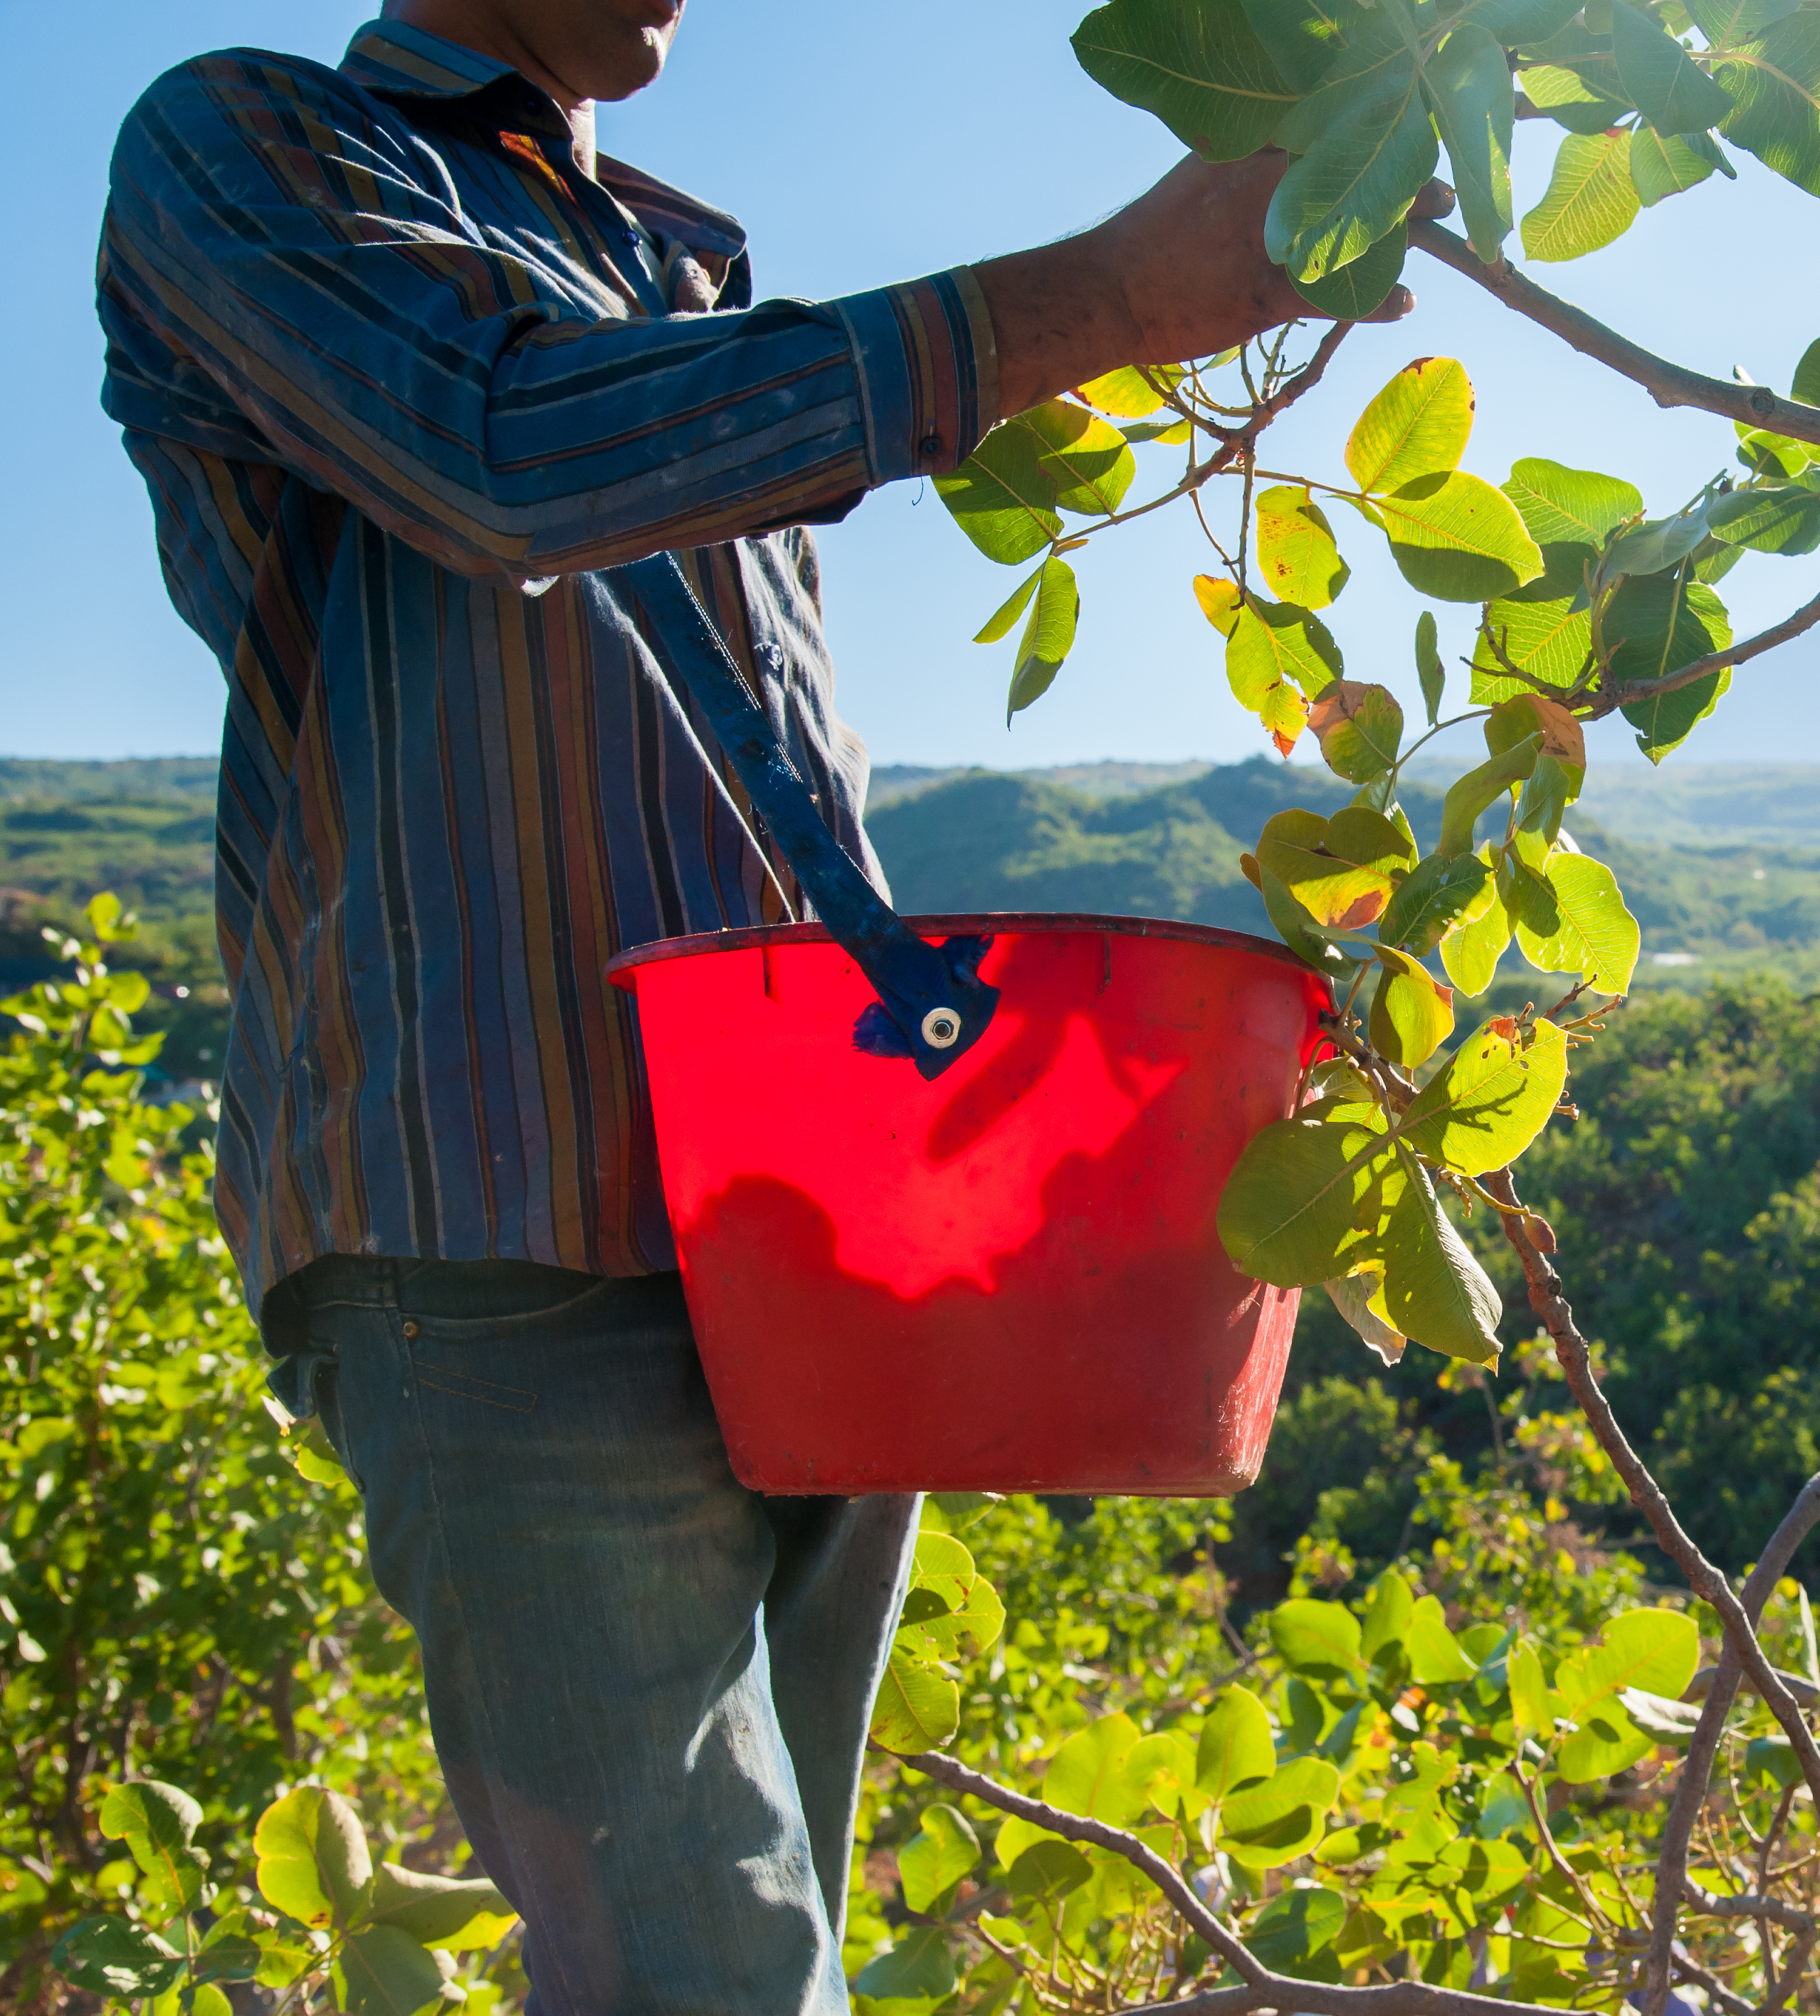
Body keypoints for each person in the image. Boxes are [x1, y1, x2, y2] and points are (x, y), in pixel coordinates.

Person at [95, 4, 1394, 2007]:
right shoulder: (245, 141)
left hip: (799, 1233)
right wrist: (1115, 296)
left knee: (754, 1946)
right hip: (493, 1205)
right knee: (714, 1967)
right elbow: (503, 454)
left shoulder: (682, 265)